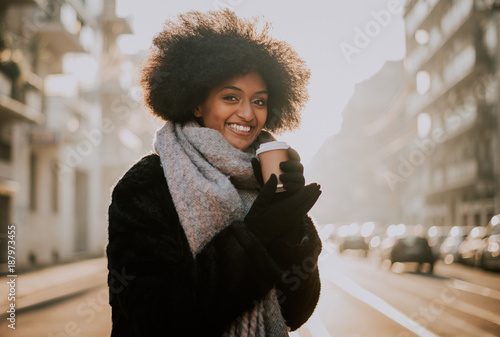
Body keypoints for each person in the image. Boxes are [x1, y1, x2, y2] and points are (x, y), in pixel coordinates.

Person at [106, 9, 322, 337]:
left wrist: (291, 230)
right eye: (231, 97)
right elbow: (154, 319)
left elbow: (296, 311)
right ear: (196, 103)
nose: (248, 114)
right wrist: (254, 236)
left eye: (259, 101)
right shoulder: (145, 187)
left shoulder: (265, 180)